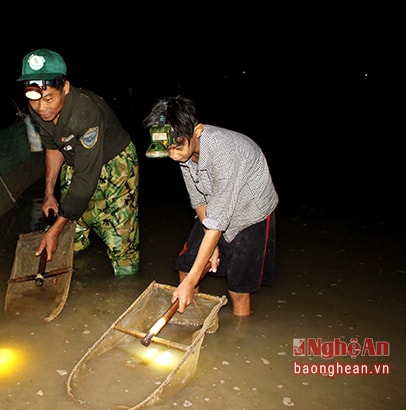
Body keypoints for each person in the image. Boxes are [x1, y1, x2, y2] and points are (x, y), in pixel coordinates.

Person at [142, 95, 278, 315]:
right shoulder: (181, 150)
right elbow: (198, 199)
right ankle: (193, 321)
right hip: (217, 205)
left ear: (197, 132)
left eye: (177, 148)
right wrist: (211, 246)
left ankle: (240, 335)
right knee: (186, 266)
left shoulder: (225, 154)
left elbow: (217, 224)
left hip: (251, 211)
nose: (173, 156)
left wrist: (211, 239)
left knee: (238, 287)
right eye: (168, 149)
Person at [17, 48, 140, 277]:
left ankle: (125, 287)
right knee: (73, 232)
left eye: (49, 98)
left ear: (65, 88)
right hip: (75, 159)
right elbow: (53, 148)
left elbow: (85, 178)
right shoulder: (38, 107)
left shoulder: (86, 114)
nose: (41, 108)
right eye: (34, 100)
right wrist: (49, 193)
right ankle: (75, 259)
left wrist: (54, 228)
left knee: (121, 242)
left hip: (115, 165)